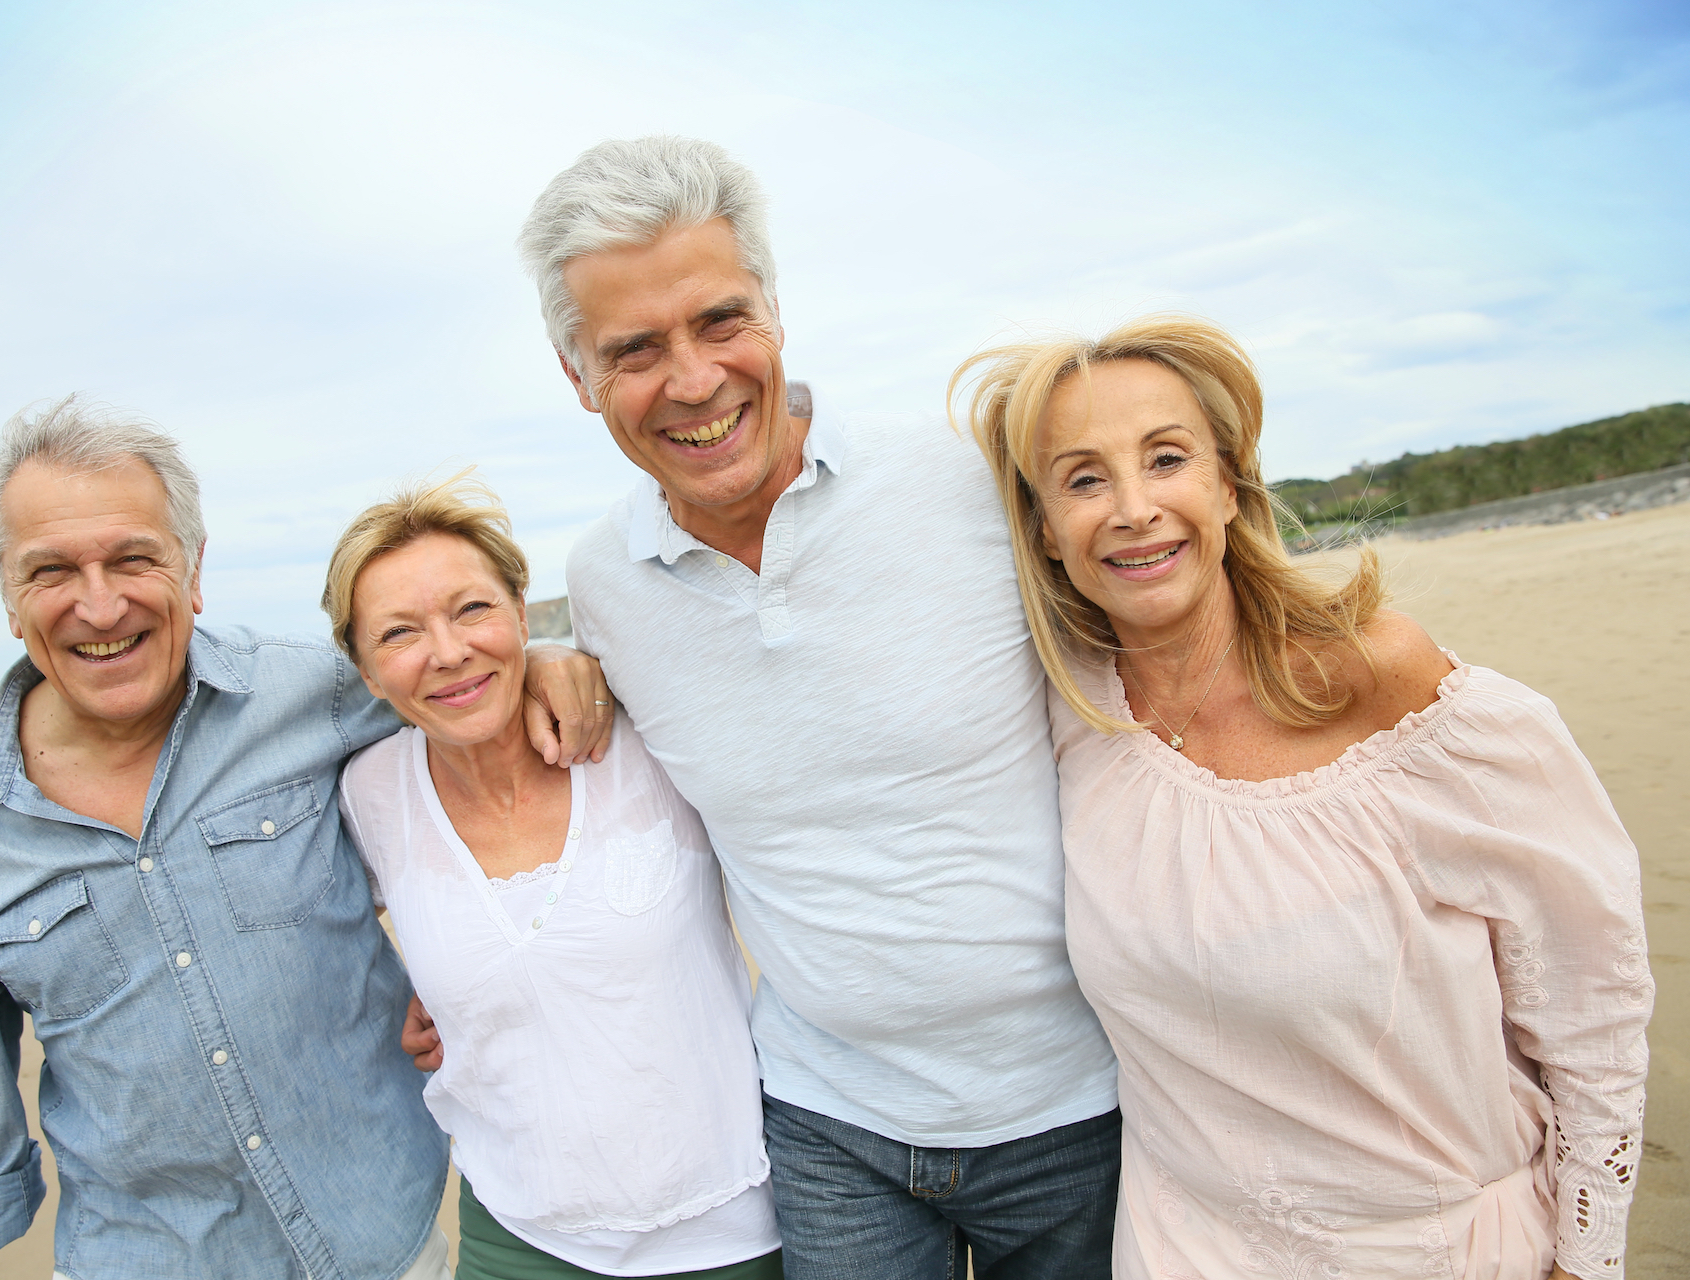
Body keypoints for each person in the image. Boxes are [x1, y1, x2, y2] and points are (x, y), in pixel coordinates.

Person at [486, 136, 1124, 1278]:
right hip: (828, 1123)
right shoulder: (602, 584)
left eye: (721, 320)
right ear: (578, 378)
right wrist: (549, 658)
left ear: (775, 313)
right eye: (634, 348)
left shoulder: (966, 479)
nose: (692, 378)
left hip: (1084, 1101)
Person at [956, 314, 1653, 1280]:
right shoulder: (1069, 712)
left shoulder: (1385, 682)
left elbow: (1593, 997)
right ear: (1042, 527)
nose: (1131, 507)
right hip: (1180, 1251)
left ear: (1228, 486)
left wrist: (1587, 1254)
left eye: (1166, 459)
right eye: (1081, 478)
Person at [0, 398, 610, 1280]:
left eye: (134, 558)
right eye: (50, 571)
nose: (100, 601)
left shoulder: (311, 693)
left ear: (193, 569)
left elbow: (453, 692)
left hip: (395, 1239)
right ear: (4, 590)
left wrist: (547, 661)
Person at [323, 472, 783, 1280]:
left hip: (734, 1226)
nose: (449, 651)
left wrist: (562, 657)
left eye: (473, 609)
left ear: (519, 611)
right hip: (519, 1235)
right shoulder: (369, 792)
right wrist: (399, 992)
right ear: (364, 672)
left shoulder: (644, 734)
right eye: (399, 634)